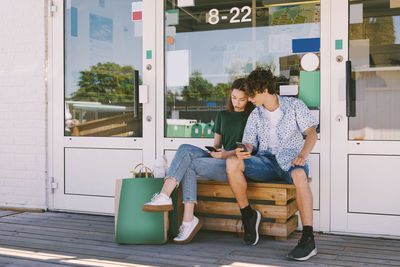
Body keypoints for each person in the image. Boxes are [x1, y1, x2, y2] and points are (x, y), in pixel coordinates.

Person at [142, 78, 254, 244]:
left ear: (249, 99)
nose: (237, 103)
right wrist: (216, 152)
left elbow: (249, 148)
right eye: (234, 98)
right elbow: (217, 144)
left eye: (242, 99)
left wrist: (227, 154)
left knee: (189, 164)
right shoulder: (222, 115)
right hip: (218, 159)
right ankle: (167, 197)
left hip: (235, 165)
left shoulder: (251, 117)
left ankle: (184, 216)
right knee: (184, 148)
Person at [226, 68, 318, 261]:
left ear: (265, 89)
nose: (249, 99)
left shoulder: (294, 106)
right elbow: (250, 142)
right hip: (266, 163)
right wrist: (246, 150)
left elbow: (311, 133)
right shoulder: (255, 115)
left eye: (252, 94)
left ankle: (308, 239)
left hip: (292, 160)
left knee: (300, 175)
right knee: (233, 162)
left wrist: (302, 155)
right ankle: (248, 216)